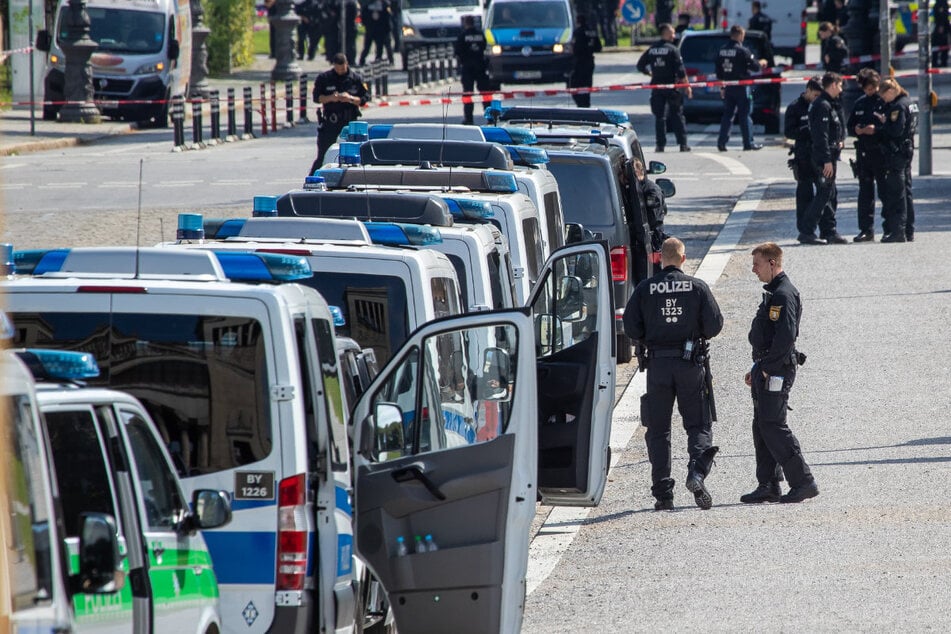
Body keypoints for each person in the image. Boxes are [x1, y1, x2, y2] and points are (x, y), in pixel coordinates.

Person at [623, 237, 724, 511]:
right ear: (683, 258)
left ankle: (663, 494)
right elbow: (714, 325)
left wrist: (652, 337)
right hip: (690, 364)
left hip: (657, 367)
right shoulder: (697, 287)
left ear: (660, 259)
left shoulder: (645, 289)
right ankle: (697, 472)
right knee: (698, 425)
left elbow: (631, 327)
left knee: (658, 430)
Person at [741, 242, 819, 505]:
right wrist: (758, 367)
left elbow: (785, 337)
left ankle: (803, 482)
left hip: (776, 371)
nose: (753, 270)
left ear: (772, 263)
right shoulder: (774, 293)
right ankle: (768, 484)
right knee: (762, 425)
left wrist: (766, 368)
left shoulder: (784, 294)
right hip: (766, 368)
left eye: (757, 264)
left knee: (773, 425)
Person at [799, 71, 847, 245]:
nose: (841, 89)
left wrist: (841, 141)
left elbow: (835, 129)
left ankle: (829, 231)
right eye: (840, 85)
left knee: (830, 193)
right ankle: (807, 231)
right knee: (824, 194)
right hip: (823, 158)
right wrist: (827, 160)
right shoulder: (822, 105)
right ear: (833, 84)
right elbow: (821, 136)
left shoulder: (830, 104)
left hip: (830, 155)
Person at [308, 53, 369, 175]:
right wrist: (331, 98)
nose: (340, 71)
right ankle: (313, 179)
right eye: (337, 68)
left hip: (349, 123)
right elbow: (317, 98)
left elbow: (365, 98)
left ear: (347, 64)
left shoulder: (356, 79)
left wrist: (349, 98)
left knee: (354, 155)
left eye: (342, 68)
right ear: (334, 66)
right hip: (331, 123)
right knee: (323, 155)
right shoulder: (325, 78)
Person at [636, 23, 692, 153]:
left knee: (660, 117)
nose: (674, 35)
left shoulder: (652, 49)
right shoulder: (673, 49)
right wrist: (687, 87)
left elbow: (640, 65)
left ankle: (660, 145)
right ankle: (683, 144)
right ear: (665, 33)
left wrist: (649, 73)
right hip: (672, 87)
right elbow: (681, 71)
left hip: (657, 86)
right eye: (672, 33)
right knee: (677, 115)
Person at [876, 77, 918, 242]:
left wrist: (884, 123)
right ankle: (909, 230)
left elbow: (896, 131)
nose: (883, 99)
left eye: (884, 95)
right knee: (907, 192)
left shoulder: (898, 107)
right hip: (907, 151)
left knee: (897, 193)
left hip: (897, 153)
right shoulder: (910, 102)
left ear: (892, 91)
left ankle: (898, 231)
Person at [847, 68, 886, 242]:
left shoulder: (884, 102)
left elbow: (892, 128)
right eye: (866, 88)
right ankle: (866, 230)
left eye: (872, 87)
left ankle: (891, 228)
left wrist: (876, 130)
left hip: (881, 152)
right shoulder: (860, 103)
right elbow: (849, 126)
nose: (869, 91)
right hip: (863, 152)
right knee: (865, 193)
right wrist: (856, 130)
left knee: (886, 192)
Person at [715, 25, 765, 152]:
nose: (743, 38)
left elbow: (719, 72)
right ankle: (748, 143)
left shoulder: (722, 51)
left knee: (727, 115)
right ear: (738, 35)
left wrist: (722, 86)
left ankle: (722, 142)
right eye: (742, 35)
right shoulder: (743, 51)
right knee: (745, 115)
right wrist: (761, 63)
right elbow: (755, 67)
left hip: (728, 86)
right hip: (742, 87)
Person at [784, 77, 822, 238]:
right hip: (804, 155)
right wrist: (807, 130)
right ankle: (805, 230)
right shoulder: (795, 107)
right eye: (814, 94)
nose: (816, 98)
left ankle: (827, 230)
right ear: (807, 90)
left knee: (825, 192)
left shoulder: (822, 105)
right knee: (804, 194)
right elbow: (789, 132)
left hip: (820, 154)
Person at [454, 15, 491, 124]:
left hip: (468, 68)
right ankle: (490, 117)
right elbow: (485, 48)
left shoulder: (463, 36)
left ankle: (469, 118)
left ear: (465, 23)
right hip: (480, 67)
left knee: (468, 94)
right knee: (485, 94)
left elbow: (457, 52)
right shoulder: (480, 34)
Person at [569, 14, 602, 108]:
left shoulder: (578, 32)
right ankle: (586, 103)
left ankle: (581, 104)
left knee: (575, 84)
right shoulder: (592, 32)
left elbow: (575, 49)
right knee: (587, 84)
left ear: (578, 21)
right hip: (589, 61)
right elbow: (598, 47)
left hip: (579, 62)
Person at [933, 0, 949, 68]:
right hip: (941, 27)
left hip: (942, 27)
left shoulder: (941, 2)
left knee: (942, 45)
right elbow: (942, 14)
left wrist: (941, 25)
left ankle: (942, 62)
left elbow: (943, 15)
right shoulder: (941, 2)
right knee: (939, 45)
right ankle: (940, 62)